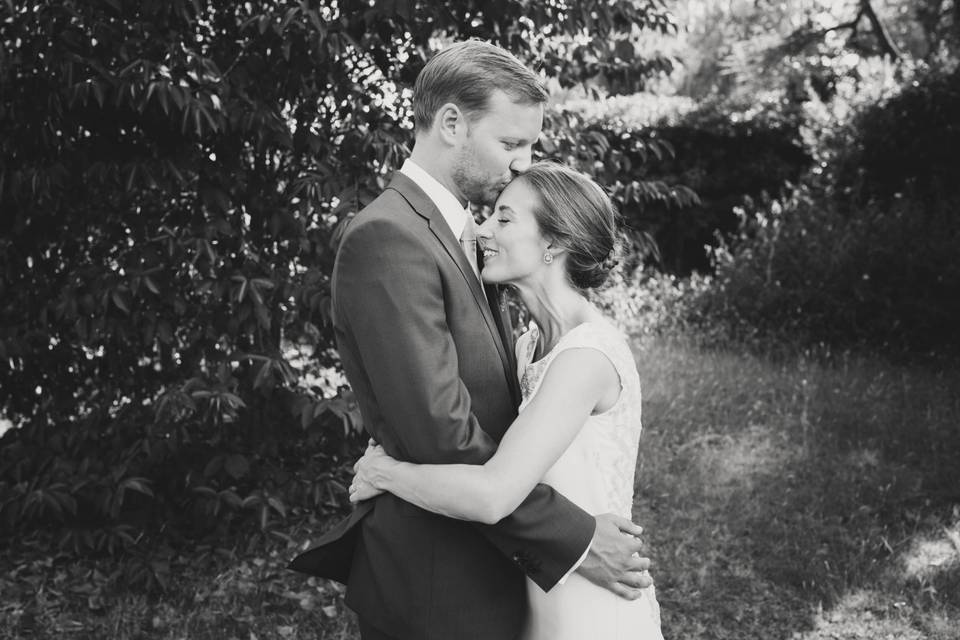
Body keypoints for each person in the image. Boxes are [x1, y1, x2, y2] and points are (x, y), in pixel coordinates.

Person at [288, 40, 653, 640]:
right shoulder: (389, 238)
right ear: (452, 123)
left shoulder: (464, 235)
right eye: (511, 143)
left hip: (497, 572)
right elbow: (443, 437)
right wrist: (577, 539)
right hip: (439, 585)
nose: (522, 163)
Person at [349, 162, 663, 640]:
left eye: (504, 218)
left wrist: (387, 473)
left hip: (590, 603)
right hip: (539, 585)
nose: (482, 229)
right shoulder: (528, 346)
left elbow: (494, 493)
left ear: (554, 244)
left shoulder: (587, 357)